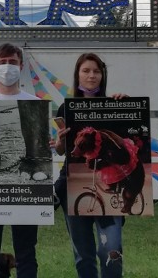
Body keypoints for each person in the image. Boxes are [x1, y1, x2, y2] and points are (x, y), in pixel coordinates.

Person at [53, 52, 126, 278]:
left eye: (96, 71)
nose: (91, 75)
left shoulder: (116, 105)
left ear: (102, 75)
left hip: (109, 184)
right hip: (74, 184)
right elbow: (61, 150)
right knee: (83, 255)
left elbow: (128, 140)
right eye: (86, 71)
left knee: (112, 247)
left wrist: (128, 107)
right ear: (77, 75)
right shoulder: (65, 109)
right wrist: (60, 142)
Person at [0, 43, 41, 278]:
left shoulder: (35, 104)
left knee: (26, 253)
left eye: (12, 62)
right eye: (2, 63)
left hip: (25, 191)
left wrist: (47, 146)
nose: (8, 67)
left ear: (21, 66)